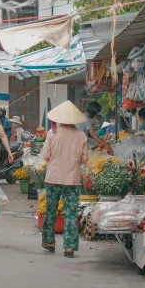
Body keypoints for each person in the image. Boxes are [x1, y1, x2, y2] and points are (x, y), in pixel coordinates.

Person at [41, 101, 88, 258]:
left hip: (53, 176)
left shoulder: (52, 133)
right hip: (72, 178)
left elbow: (46, 155)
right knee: (71, 212)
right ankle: (69, 247)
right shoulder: (81, 135)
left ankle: (49, 241)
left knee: (51, 210)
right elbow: (85, 159)